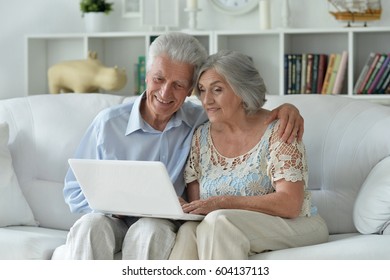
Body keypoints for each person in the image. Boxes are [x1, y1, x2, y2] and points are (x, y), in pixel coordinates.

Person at [57, 32, 305, 260]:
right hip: (110, 218)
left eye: (178, 84)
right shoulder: (107, 124)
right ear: (146, 75)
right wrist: (115, 205)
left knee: (149, 230)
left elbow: (240, 110)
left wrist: (286, 110)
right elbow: (73, 191)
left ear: (190, 90)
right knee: (90, 226)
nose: (165, 93)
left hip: (162, 223)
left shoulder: (201, 120)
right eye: (159, 79)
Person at [169, 50, 329, 260]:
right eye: (202, 90)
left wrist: (223, 202)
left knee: (219, 224)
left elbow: (290, 204)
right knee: (189, 231)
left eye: (217, 90)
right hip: (224, 224)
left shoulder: (280, 129)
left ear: (242, 90)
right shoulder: (201, 137)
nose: (207, 100)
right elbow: (199, 208)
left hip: (296, 223)